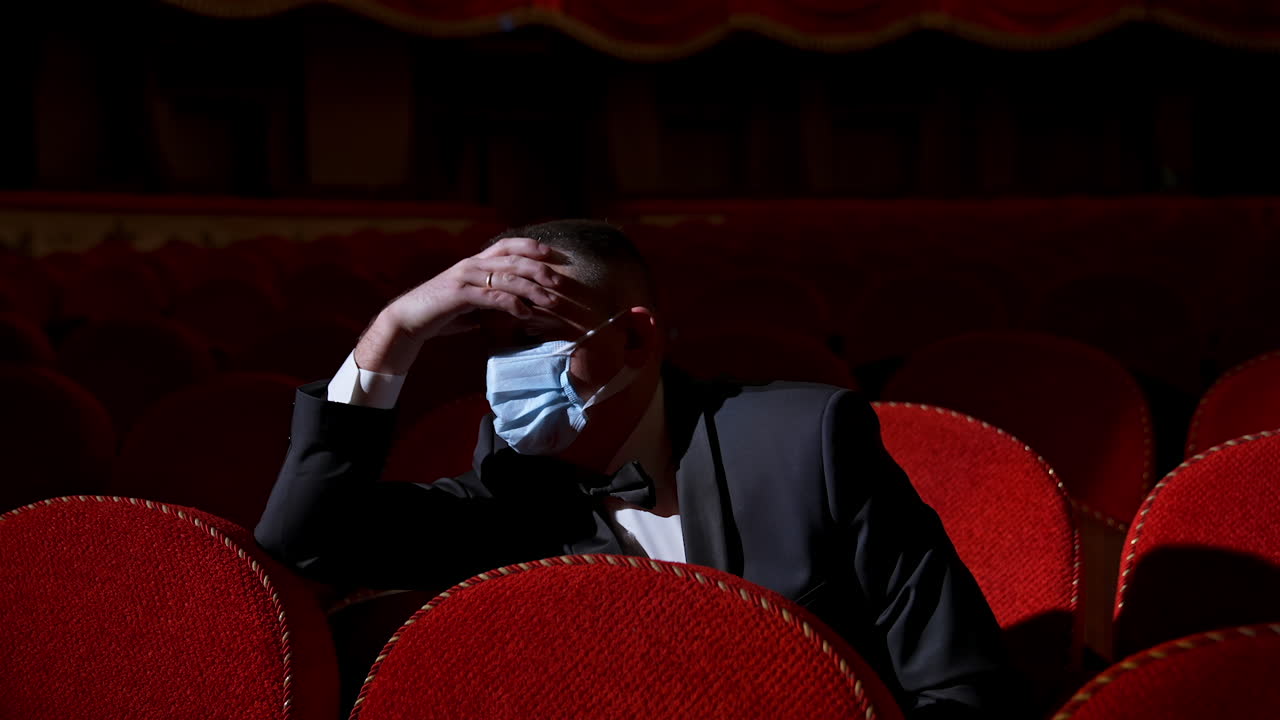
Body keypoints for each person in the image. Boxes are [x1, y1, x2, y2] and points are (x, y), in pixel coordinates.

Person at [256, 219, 1018, 718]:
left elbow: (960, 686)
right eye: (497, 340)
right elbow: (308, 539)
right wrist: (393, 334)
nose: (510, 368)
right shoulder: (518, 485)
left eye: (538, 336)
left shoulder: (805, 441)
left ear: (636, 340)